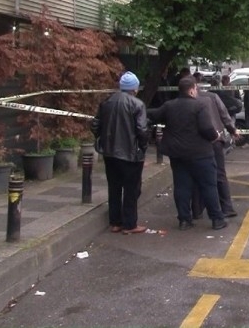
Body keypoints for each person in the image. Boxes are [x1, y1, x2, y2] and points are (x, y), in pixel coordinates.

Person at [147, 76, 228, 231]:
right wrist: (215, 136)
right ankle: (217, 219)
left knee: (181, 186)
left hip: (177, 154)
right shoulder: (199, 106)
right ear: (192, 90)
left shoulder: (169, 106)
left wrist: (138, 109)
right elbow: (206, 128)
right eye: (196, 89)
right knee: (208, 186)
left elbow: (154, 115)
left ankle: (184, 220)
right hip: (200, 153)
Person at [91, 71, 149, 234]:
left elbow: (95, 125)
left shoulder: (106, 102)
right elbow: (142, 130)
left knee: (114, 187)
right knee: (132, 189)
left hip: (110, 153)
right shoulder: (137, 105)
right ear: (135, 89)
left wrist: (103, 140)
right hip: (131, 154)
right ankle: (130, 224)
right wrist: (142, 147)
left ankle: (115, 222)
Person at [195, 83, 240, 219]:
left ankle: (197, 210)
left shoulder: (188, 100)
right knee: (219, 173)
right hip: (216, 140)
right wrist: (232, 130)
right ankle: (227, 207)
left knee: (197, 175)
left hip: (198, 141)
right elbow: (224, 116)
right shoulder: (213, 97)